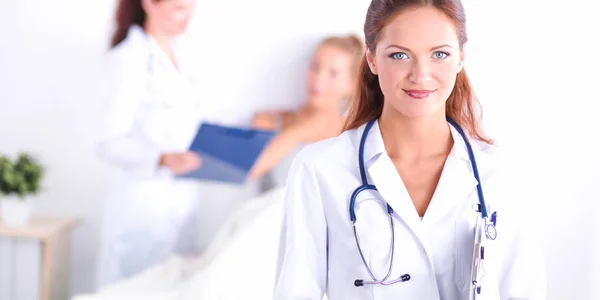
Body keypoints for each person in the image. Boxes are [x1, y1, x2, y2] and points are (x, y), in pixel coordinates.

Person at [273, 1, 547, 299]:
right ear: (373, 59)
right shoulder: (319, 169)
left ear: (461, 58)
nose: (420, 74)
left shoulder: (498, 174)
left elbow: (524, 290)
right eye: (399, 55)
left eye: (439, 54)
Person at [95, 0, 239, 289]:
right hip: (143, 206)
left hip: (181, 201)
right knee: (136, 288)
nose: (188, 17)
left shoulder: (181, 54)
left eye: (191, 6)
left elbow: (194, 118)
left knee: (171, 286)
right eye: (178, 8)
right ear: (149, 4)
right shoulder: (129, 59)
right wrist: (162, 159)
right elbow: (107, 143)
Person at [248, 34, 364, 183]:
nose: (318, 79)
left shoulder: (356, 138)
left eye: (333, 73)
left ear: (352, 84)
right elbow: (246, 171)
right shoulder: (269, 121)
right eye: (315, 67)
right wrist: (304, 128)